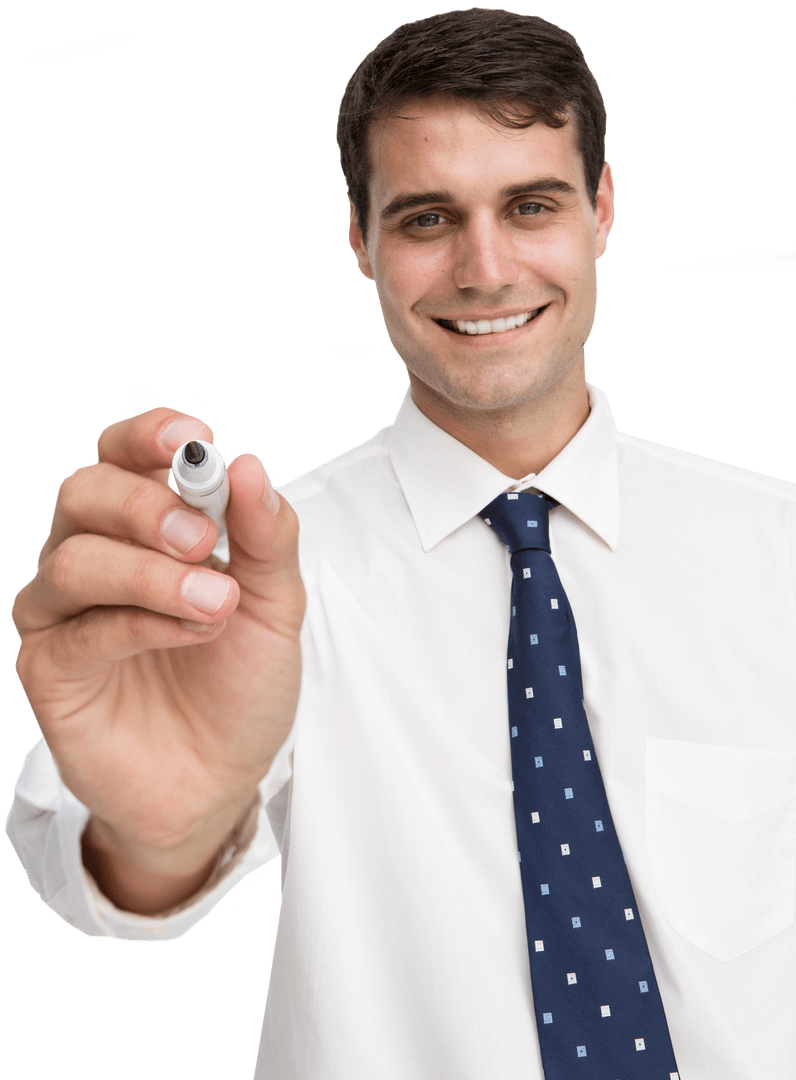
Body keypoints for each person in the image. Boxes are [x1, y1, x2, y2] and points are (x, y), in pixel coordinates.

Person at [7, 8, 796, 1079]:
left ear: (602, 208)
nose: (483, 269)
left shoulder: (777, 549)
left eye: (530, 206)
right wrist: (162, 838)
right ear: (358, 239)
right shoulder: (255, 582)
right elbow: (87, 859)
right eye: (427, 219)